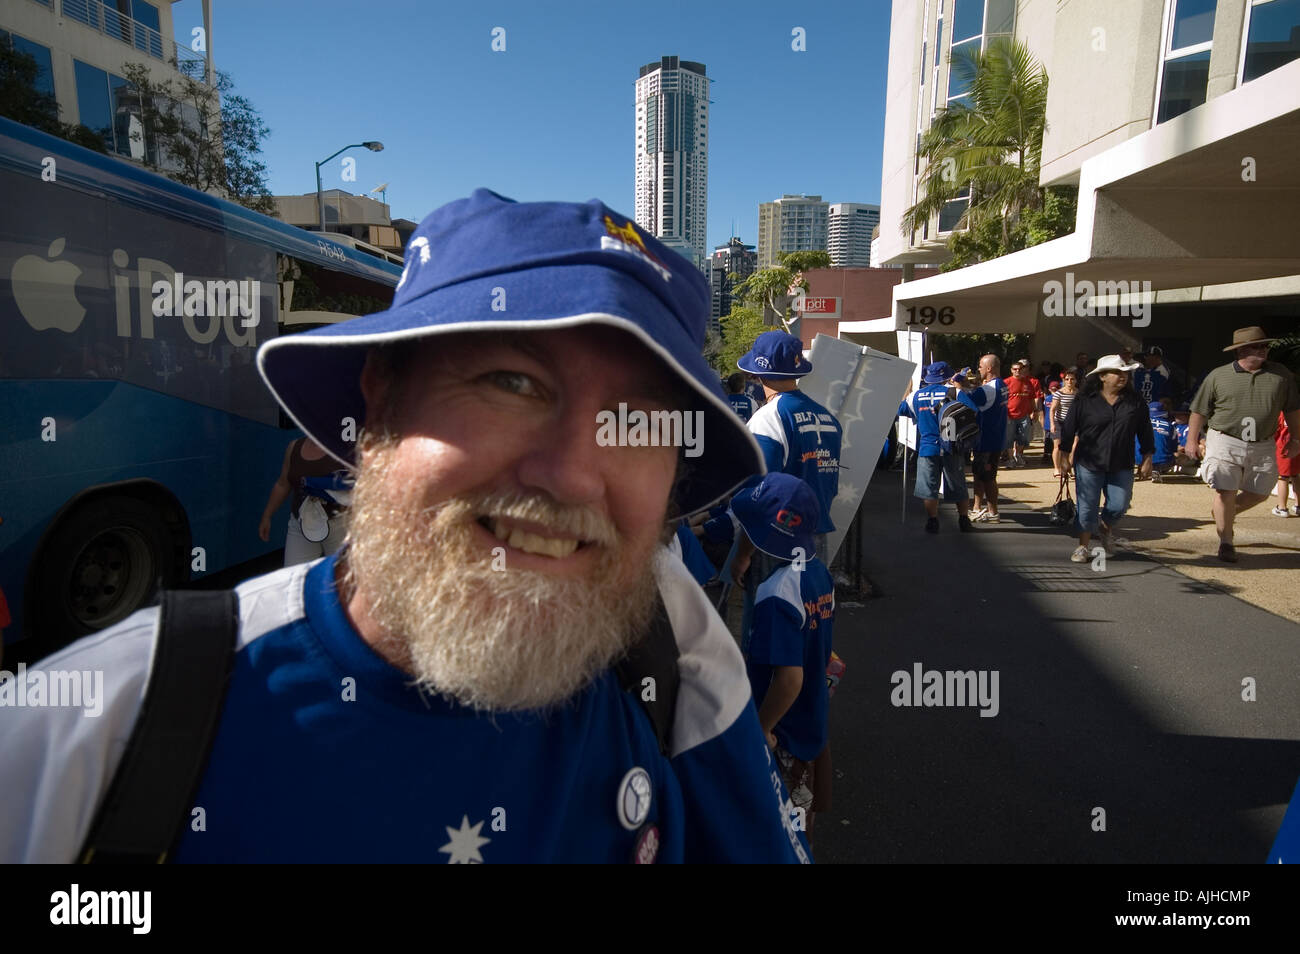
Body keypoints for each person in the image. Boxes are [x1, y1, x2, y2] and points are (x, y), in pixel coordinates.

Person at [0, 190, 811, 863]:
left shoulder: (675, 660)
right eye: (511, 381)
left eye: (637, 421)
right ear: (380, 399)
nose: (570, 472)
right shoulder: (94, 732)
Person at [734, 474, 834, 847]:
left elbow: (788, 680)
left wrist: (762, 728)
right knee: (801, 821)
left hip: (784, 736)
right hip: (811, 722)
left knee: (781, 830)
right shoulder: (820, 575)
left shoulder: (776, 593)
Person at [1185, 326, 1300, 562]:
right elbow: (1198, 410)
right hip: (1225, 439)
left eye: (1265, 346)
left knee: (1259, 492)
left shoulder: (1281, 375)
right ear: (1241, 351)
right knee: (1225, 489)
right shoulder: (1218, 375)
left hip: (1263, 442)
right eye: (1258, 346)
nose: (1264, 350)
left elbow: (1292, 410)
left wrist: (1296, 439)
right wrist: (1191, 440)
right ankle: (1226, 542)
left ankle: (1223, 513)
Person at [736, 330, 843, 565]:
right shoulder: (828, 418)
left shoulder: (768, 419)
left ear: (758, 372)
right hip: (816, 536)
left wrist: (743, 554)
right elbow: (830, 484)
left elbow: (762, 496)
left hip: (777, 541)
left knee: (773, 601)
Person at [1060, 355, 1153, 563]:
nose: (1123, 376)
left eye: (1125, 373)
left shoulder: (1135, 401)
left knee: (1120, 505)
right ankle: (1083, 546)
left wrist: (1148, 456)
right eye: (1117, 372)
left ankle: (1105, 528)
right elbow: (1068, 429)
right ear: (1102, 376)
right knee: (1087, 506)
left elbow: (1145, 431)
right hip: (1089, 461)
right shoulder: (1084, 400)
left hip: (1122, 462)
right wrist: (1064, 456)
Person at [898, 361, 978, 534]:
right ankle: (964, 519)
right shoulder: (954, 392)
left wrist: (907, 388)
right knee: (958, 485)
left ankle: (932, 521)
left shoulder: (917, 396)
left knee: (929, 487)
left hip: (927, 447)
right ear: (947, 376)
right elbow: (973, 411)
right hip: (952, 446)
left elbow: (900, 409)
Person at [260, 436, 351, 565]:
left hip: (339, 524)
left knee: (342, 580)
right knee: (294, 575)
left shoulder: (344, 448)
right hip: (301, 523)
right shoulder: (294, 447)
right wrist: (267, 516)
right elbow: (283, 484)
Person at [968, 354, 1009, 523]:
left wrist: (958, 386)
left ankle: (992, 512)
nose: (978, 369)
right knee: (982, 475)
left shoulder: (988, 390)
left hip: (986, 440)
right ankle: (977, 508)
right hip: (996, 437)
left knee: (987, 477)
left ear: (989, 368)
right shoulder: (1002, 385)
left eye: (980, 366)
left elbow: (967, 398)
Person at [1004, 359, 1042, 467]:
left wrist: (1034, 411)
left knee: (1024, 437)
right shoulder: (1006, 382)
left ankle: (1018, 454)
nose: (1017, 371)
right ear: (1011, 370)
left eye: (1020, 369)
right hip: (1010, 414)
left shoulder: (1028, 382)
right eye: (1015, 369)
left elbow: (1031, 398)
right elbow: (1002, 399)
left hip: (1024, 414)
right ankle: (1010, 459)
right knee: (1009, 438)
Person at [1136, 400, 1179, 482]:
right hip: (1163, 461)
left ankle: (1140, 467)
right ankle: (1157, 469)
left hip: (1138, 458)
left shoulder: (1137, 423)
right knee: (1176, 456)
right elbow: (1174, 449)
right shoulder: (1171, 426)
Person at [1050, 367, 1080, 478]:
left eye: (1072, 379)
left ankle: (1068, 468)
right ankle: (1057, 468)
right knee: (1058, 446)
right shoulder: (1059, 393)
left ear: (1076, 380)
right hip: (1060, 421)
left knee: (1074, 445)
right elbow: (1053, 409)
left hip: (1074, 423)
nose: (1069, 381)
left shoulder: (1078, 393)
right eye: (1067, 379)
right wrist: (1052, 424)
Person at [1274, 411, 1300, 517]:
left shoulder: (1283, 413)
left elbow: (1276, 430)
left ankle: (1282, 507)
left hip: (1284, 447)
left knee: (1282, 478)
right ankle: (1298, 505)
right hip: (1297, 447)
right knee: (1296, 475)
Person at [1041, 380, 1059, 464]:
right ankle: (1048, 456)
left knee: (1049, 440)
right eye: (1053, 390)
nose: (1054, 392)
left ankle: (1047, 456)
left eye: (1055, 390)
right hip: (1051, 423)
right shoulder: (1054, 398)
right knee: (1050, 440)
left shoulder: (1047, 398)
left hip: (1050, 423)